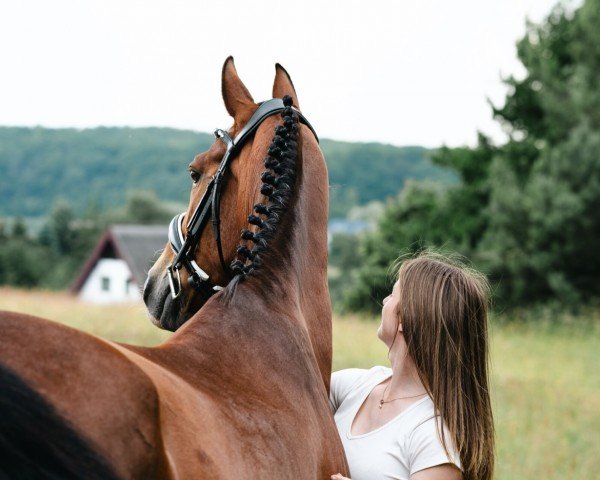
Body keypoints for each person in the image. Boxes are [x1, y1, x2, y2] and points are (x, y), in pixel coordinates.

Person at [330, 253, 495, 480]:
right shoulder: (353, 386)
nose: (385, 301)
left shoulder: (435, 439)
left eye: (393, 295)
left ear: (405, 319)